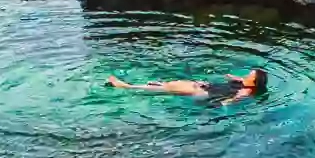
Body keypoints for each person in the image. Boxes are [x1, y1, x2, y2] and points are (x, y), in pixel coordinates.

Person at [105, 68, 267, 104]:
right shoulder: (243, 81)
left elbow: (237, 97)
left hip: (204, 94)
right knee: (171, 84)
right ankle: (157, 85)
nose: (247, 74)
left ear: (254, 81)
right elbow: (235, 78)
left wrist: (226, 103)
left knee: (167, 89)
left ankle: (125, 87)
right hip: (204, 86)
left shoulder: (246, 89)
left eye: (250, 74)